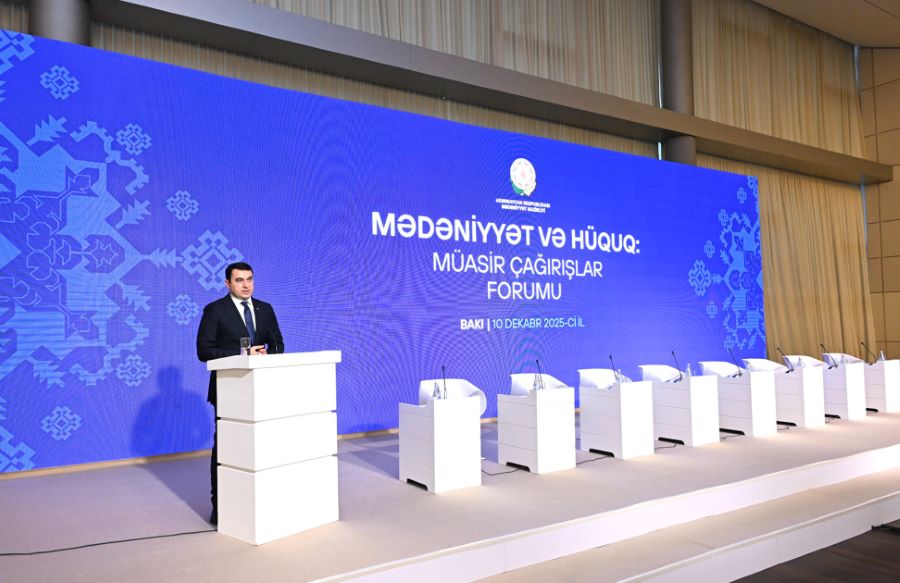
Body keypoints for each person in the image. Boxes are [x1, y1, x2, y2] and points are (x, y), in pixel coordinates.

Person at [196, 261, 284, 525]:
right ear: (228, 283)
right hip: (229, 390)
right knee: (227, 448)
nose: (246, 285)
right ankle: (221, 506)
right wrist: (243, 354)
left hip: (261, 389)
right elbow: (204, 351)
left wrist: (267, 354)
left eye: (249, 279)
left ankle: (260, 502)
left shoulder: (265, 308)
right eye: (239, 280)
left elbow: (278, 344)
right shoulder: (215, 310)